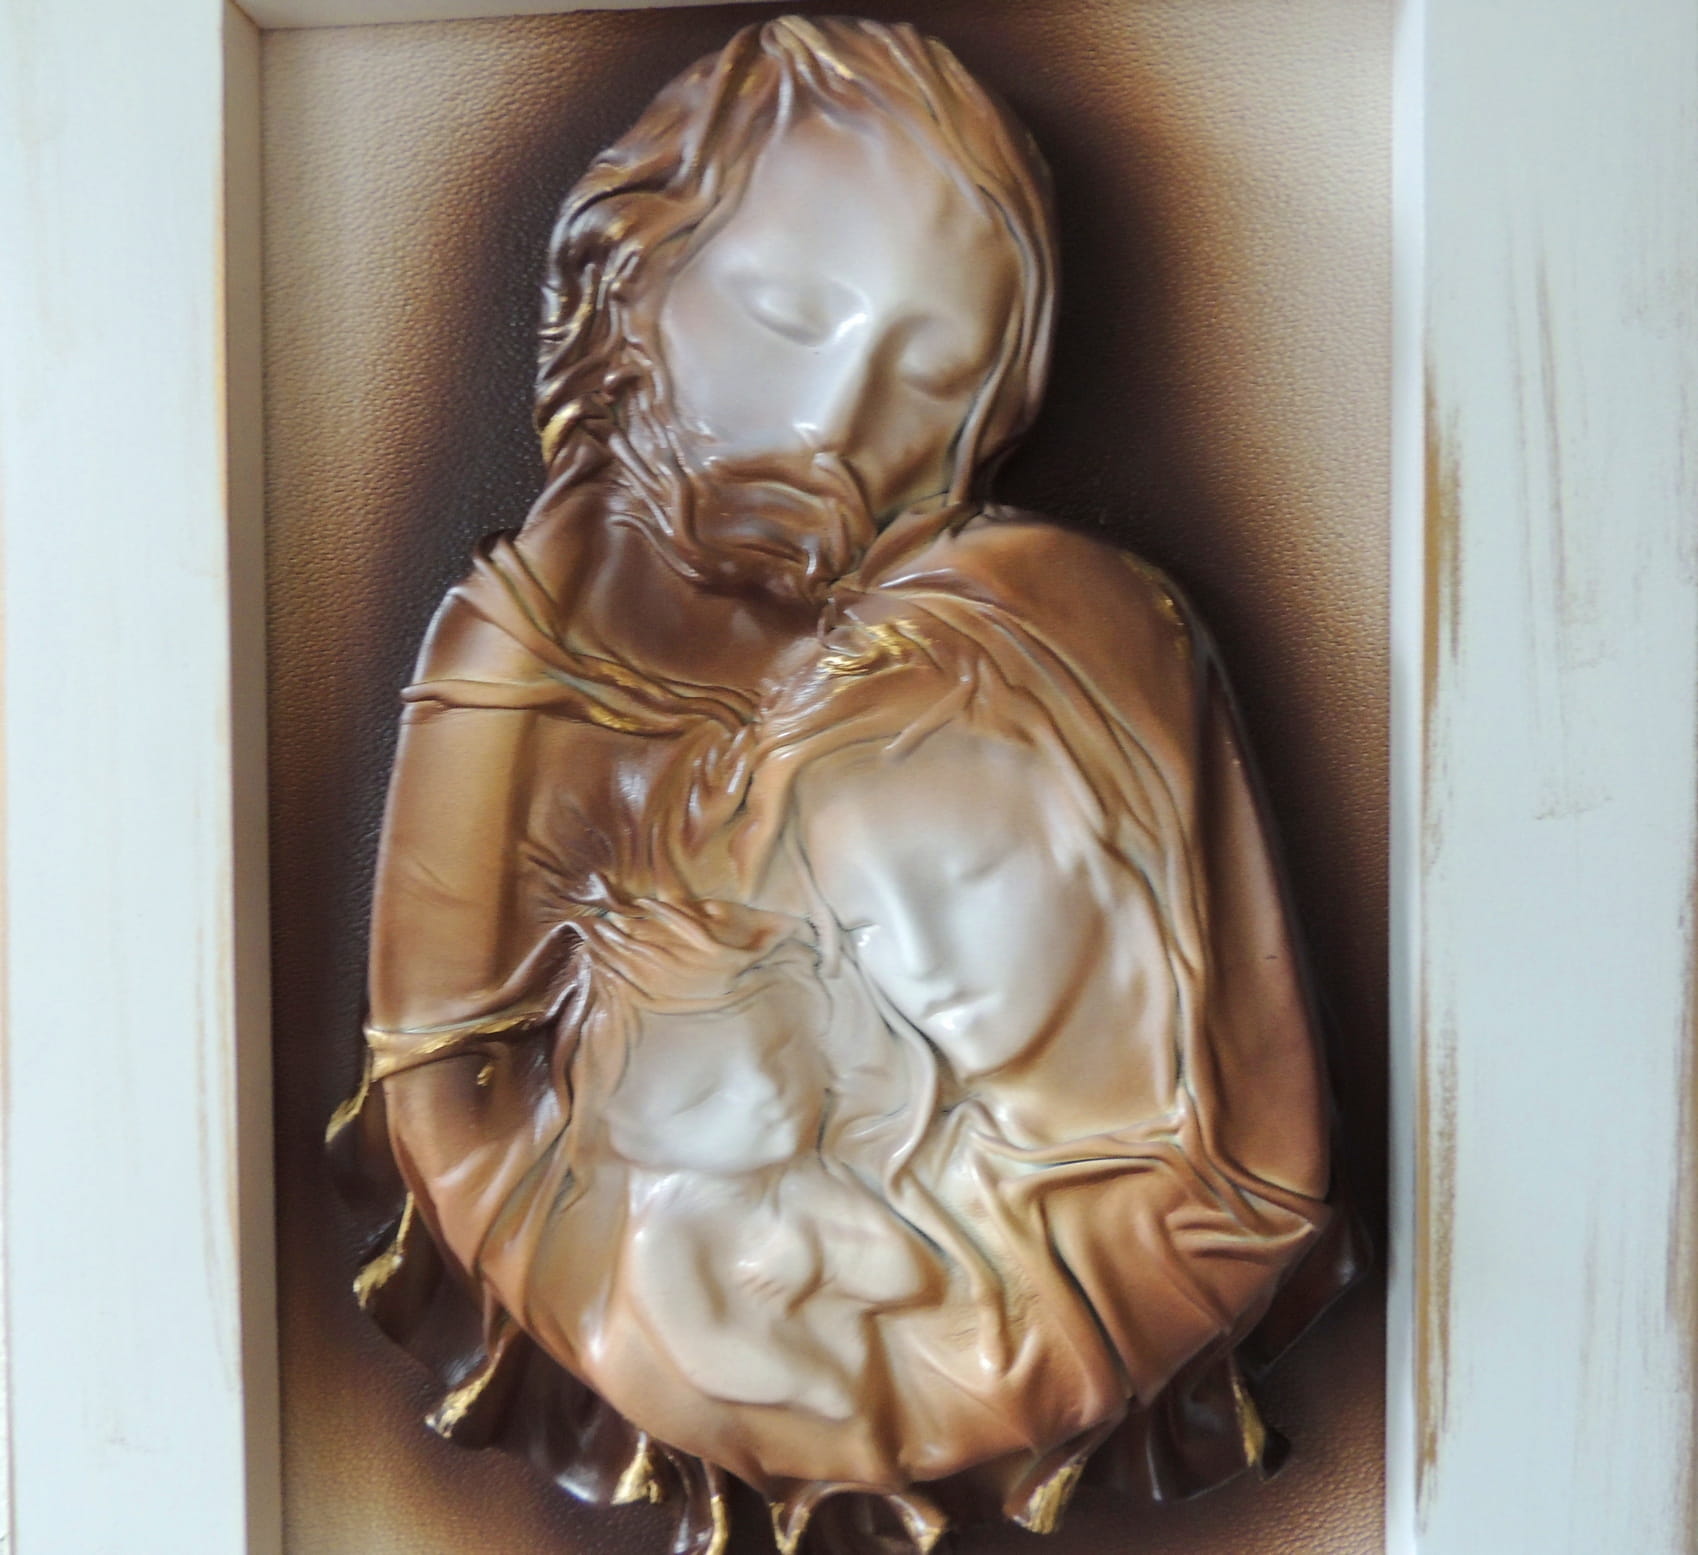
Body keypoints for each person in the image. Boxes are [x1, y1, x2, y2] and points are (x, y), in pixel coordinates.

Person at [336, 15, 1356, 1549]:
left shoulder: (1056, 630)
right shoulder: (518, 640)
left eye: (927, 373)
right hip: (691, 1276)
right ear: (636, 278)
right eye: (784, 311)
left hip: (1035, 1260)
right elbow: (446, 1096)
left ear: (991, 414)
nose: (829, 425)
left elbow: (1247, 1149)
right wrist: (661, 1271)